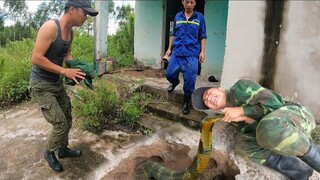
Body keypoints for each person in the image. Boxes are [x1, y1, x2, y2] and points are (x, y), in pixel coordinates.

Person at [191, 78, 320, 180]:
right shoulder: (227, 115)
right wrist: (244, 117)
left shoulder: (240, 88)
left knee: (269, 128)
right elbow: (259, 129)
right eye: (206, 101)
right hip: (279, 131)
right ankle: (300, 171)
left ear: (219, 89)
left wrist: (241, 110)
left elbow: (275, 104)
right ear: (213, 109)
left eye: (208, 93)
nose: (208, 98)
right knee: (243, 145)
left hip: (296, 116)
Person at [29, 0, 98, 172]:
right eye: (85, 13)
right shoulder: (51, 27)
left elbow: (67, 56)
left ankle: (62, 149)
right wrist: (64, 72)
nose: (86, 18)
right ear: (72, 9)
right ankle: (49, 152)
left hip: (55, 83)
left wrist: (78, 68)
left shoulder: (70, 33)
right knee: (59, 123)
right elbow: (36, 58)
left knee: (67, 116)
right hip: (41, 85)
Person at [165, 0, 207, 115]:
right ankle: (175, 82)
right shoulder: (178, 16)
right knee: (169, 74)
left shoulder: (200, 18)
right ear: (183, 2)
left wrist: (202, 51)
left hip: (191, 54)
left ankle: (186, 102)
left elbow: (203, 35)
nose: (189, 5)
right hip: (177, 52)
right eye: (187, 2)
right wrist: (169, 48)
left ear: (195, 3)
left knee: (190, 81)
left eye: (192, 2)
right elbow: (173, 34)